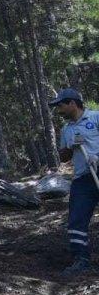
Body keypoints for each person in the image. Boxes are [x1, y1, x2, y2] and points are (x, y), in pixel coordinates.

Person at [50, 88, 99, 275]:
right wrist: (70, 147)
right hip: (82, 179)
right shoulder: (66, 129)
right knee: (76, 219)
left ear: (72, 103)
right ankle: (81, 260)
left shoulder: (95, 117)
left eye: (60, 106)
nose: (59, 110)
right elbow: (64, 157)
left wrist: (97, 157)